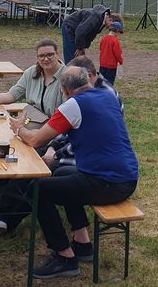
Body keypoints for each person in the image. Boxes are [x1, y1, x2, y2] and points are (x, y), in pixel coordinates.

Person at [10, 66, 138, 279]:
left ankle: (64, 257)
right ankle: (82, 243)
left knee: (37, 189)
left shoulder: (73, 105)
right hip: (127, 177)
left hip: (106, 183)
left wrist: (18, 127)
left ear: (65, 90)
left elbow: (35, 139)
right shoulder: (108, 95)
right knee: (61, 174)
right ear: (88, 81)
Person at [0, 38, 66, 233]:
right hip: (28, 126)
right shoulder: (31, 74)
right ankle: (0, 213)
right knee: (5, 152)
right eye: (42, 55)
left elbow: (66, 119)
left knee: (26, 165)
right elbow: (10, 95)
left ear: (58, 54)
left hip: (52, 133)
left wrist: (51, 145)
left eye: (50, 54)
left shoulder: (66, 78)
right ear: (37, 57)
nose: (46, 58)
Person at [98, 20, 124, 84]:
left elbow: (101, 48)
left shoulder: (103, 38)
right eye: (119, 32)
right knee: (109, 82)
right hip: (111, 66)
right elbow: (117, 53)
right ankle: (108, 93)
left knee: (101, 82)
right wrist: (120, 61)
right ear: (117, 31)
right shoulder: (115, 41)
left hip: (102, 64)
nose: (119, 34)